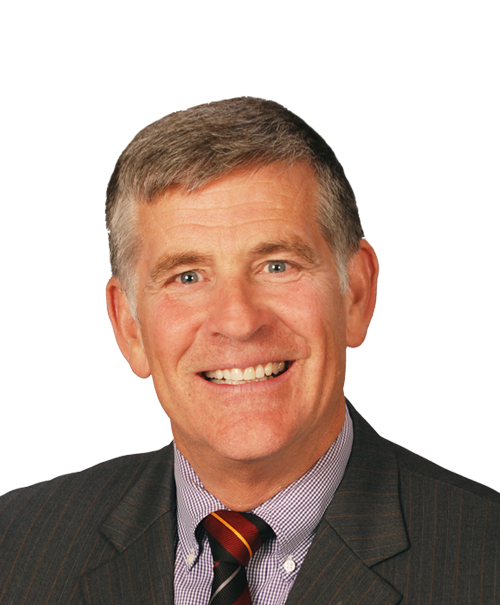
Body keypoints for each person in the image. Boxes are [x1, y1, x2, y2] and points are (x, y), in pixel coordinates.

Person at [0, 98, 498, 605]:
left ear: (355, 294)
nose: (238, 322)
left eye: (277, 266)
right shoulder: (15, 548)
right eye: (187, 277)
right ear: (130, 327)